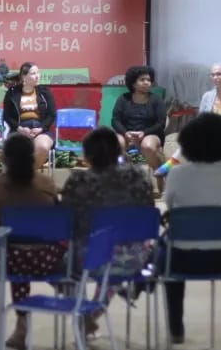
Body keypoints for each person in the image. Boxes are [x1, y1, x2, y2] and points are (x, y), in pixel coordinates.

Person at [60, 127, 155, 335]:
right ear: (118, 152)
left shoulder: (79, 181)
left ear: (86, 156)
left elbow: (65, 222)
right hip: (134, 260)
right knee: (114, 255)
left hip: (89, 260)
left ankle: (84, 313)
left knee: (65, 262)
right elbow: (149, 215)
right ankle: (93, 313)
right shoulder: (138, 177)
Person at [162, 113, 221, 344]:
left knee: (165, 255)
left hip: (181, 257)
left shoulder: (177, 174)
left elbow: (170, 206)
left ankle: (176, 327)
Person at [0, 133, 65, 350]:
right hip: (47, 260)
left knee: (14, 251)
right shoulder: (47, 183)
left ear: (4, 158)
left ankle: (21, 325)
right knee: (53, 254)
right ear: (33, 157)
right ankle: (72, 297)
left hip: (10, 263)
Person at [155, 62, 221, 178]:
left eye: (218, 74)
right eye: (213, 75)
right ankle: (174, 167)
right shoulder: (207, 96)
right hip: (208, 135)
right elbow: (201, 120)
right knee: (192, 140)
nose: (215, 78)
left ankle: (172, 166)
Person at [2, 62, 57, 171]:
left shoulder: (44, 91)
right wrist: (19, 128)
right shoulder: (12, 92)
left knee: (42, 147)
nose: (37, 76)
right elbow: (7, 115)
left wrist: (41, 128)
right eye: (33, 73)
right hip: (19, 129)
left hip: (41, 129)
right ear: (24, 76)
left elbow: (52, 114)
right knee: (17, 148)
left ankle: (29, 175)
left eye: (38, 73)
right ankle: (23, 178)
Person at [111, 65, 167, 171]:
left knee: (148, 146)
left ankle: (159, 174)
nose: (147, 83)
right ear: (133, 83)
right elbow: (115, 120)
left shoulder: (156, 100)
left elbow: (161, 123)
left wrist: (144, 133)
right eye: (142, 80)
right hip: (127, 134)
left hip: (150, 134)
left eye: (149, 80)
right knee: (116, 143)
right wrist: (125, 133)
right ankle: (123, 171)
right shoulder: (123, 99)